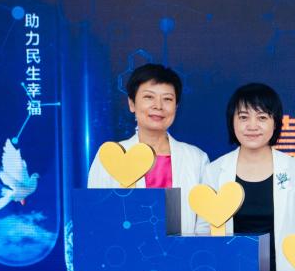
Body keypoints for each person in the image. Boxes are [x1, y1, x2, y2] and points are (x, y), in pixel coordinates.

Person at [202, 83, 295, 271]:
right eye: (243, 117)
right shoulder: (214, 171)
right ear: (232, 122)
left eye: (262, 117)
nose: (252, 126)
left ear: (275, 123)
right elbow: (204, 230)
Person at [87, 63, 208, 236]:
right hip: (125, 251)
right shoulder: (110, 155)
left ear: (176, 107)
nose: (158, 106)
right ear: (132, 103)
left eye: (167, 99)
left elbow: (205, 224)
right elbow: (97, 217)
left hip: (183, 252)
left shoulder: (197, 158)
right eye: (149, 97)